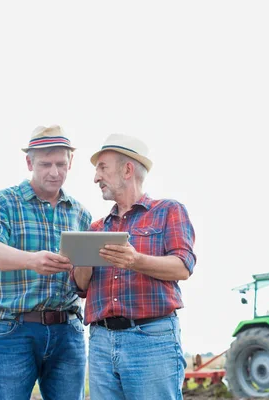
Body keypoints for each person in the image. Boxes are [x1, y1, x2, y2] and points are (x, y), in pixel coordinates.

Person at [73, 133, 196, 400]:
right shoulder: (96, 228)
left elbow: (182, 267)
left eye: (102, 167)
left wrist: (136, 260)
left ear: (127, 169)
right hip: (101, 342)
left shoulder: (168, 211)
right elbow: (80, 287)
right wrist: (82, 262)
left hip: (151, 339)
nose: (96, 177)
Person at [0, 125, 91, 400]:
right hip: (13, 329)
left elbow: (83, 282)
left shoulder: (81, 213)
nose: (54, 172)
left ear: (71, 163)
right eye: (45, 164)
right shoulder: (2, 202)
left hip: (68, 331)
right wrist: (32, 260)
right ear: (29, 162)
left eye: (61, 164)